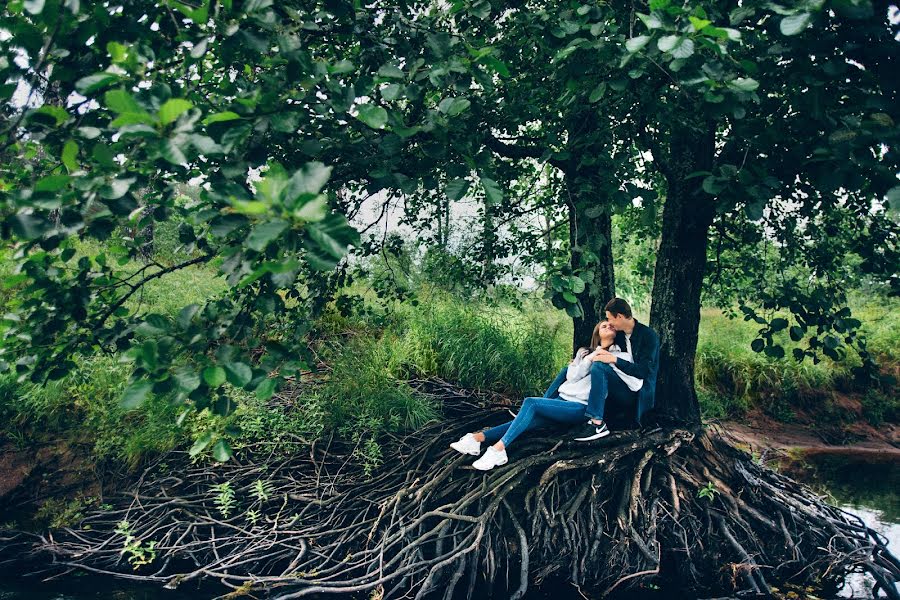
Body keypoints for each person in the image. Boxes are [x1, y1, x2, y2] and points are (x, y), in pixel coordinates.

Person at [449, 321, 633, 471]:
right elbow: (572, 376)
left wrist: (603, 356)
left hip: (581, 408)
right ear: (597, 332)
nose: (608, 327)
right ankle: (477, 439)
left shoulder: (619, 355)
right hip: (562, 401)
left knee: (531, 403)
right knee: (526, 421)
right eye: (603, 325)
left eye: (612, 326)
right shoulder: (584, 352)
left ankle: (498, 449)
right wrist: (590, 358)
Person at [571, 297, 660, 442]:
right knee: (574, 369)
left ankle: (597, 424)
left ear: (619, 316)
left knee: (600, 367)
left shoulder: (648, 336)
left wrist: (614, 360)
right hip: (619, 385)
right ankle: (548, 403)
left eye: (609, 319)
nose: (609, 323)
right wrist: (582, 356)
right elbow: (603, 344)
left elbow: (644, 372)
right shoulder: (619, 335)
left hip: (637, 393)